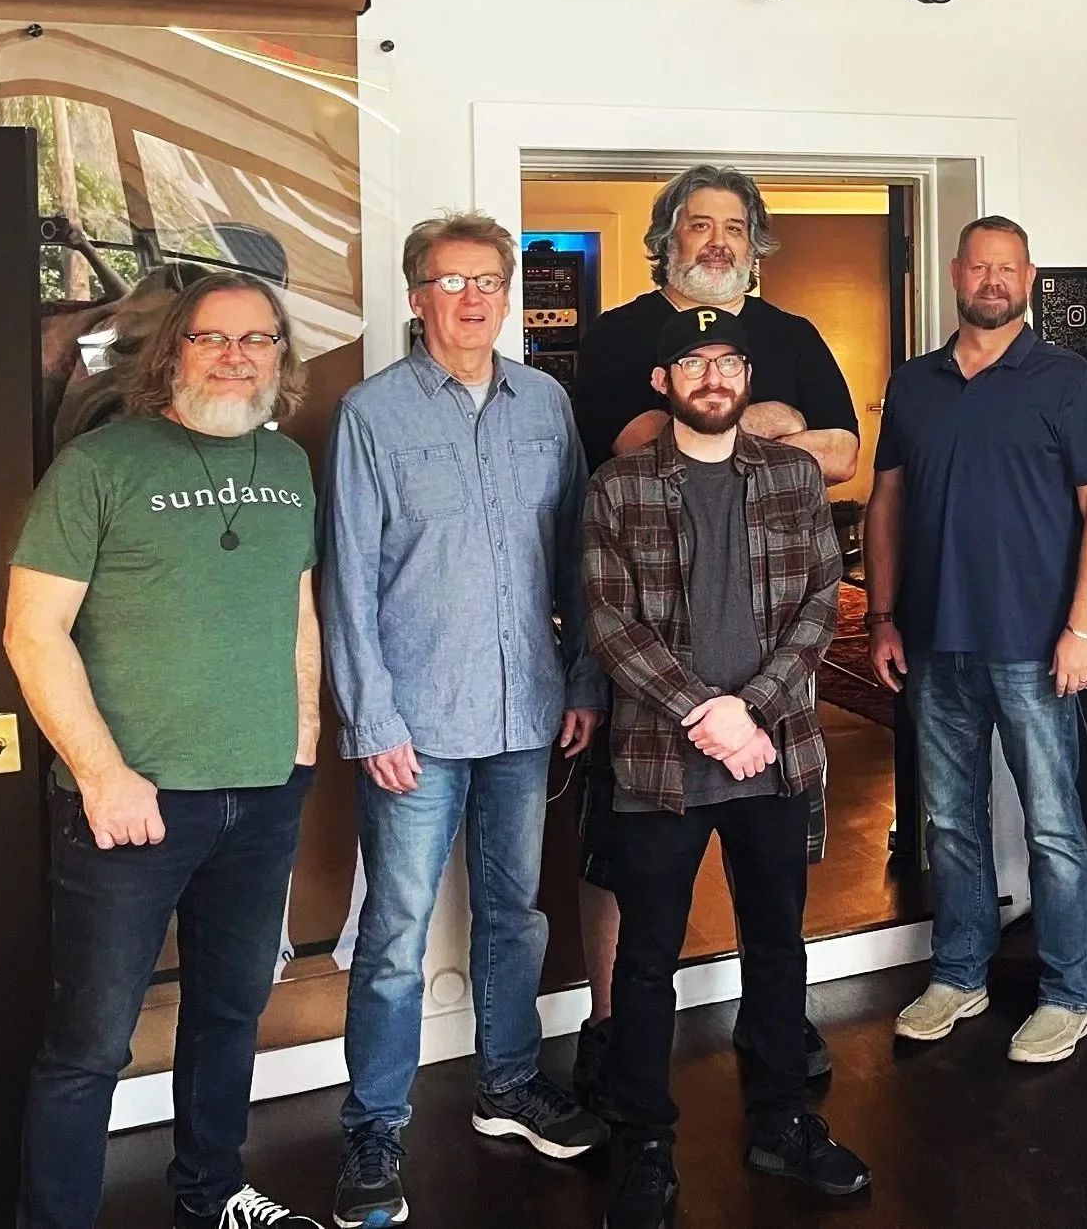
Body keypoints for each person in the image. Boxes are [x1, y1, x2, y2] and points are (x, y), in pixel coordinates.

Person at [3, 272, 326, 1229]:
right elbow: (32, 631)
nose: (235, 355)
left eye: (257, 338)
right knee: (90, 1047)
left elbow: (296, 606)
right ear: (172, 352)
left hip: (261, 795)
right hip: (130, 807)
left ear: (281, 356)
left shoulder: (290, 467)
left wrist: (302, 737)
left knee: (228, 1017)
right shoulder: (99, 465)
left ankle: (213, 1194)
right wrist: (103, 775)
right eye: (211, 337)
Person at [319, 215, 607, 1228]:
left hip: (526, 708)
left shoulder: (546, 404)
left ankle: (509, 1085)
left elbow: (578, 556)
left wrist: (582, 678)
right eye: (452, 281)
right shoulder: (370, 414)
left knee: (513, 914)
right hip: (415, 723)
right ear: (417, 296)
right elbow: (346, 584)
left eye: (491, 280)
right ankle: (375, 1129)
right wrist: (373, 719)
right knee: (395, 933)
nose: (475, 299)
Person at [566, 163, 857, 1097]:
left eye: (735, 226)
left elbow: (841, 455)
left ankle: (780, 1083)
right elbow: (613, 453)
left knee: (777, 923)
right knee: (636, 899)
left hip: (772, 719)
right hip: (656, 710)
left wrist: (760, 438)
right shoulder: (612, 338)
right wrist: (706, 710)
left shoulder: (795, 336)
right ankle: (617, 1040)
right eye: (699, 226)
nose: (718, 242)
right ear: (669, 237)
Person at [584, 306, 872, 1224]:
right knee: (646, 960)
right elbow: (607, 620)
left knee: (780, 943)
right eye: (693, 361)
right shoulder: (618, 485)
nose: (714, 373)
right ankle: (645, 1141)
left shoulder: (792, 474)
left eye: (729, 359)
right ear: (663, 381)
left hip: (775, 751)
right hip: (658, 763)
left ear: (747, 377)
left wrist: (752, 707)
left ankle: (783, 1119)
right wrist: (702, 712)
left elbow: (823, 604)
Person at [867, 215, 1087, 1063]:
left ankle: (1065, 992)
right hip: (935, 640)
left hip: (1036, 642)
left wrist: (1083, 625)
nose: (991, 279)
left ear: (1029, 276)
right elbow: (888, 503)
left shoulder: (1065, 378)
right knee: (949, 821)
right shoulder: (914, 383)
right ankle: (959, 972)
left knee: (1053, 825)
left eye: (1006, 268)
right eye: (978, 266)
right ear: (954, 272)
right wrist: (879, 615)